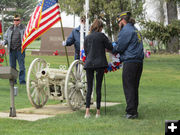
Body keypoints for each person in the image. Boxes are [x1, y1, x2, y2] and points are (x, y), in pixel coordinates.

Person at [112, 11, 144, 119]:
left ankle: (130, 112)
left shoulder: (126, 30)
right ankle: (134, 111)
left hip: (130, 62)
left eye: (119, 21)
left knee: (129, 87)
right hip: (139, 62)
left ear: (122, 20)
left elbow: (120, 47)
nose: (118, 24)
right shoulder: (136, 30)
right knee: (134, 87)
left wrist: (110, 48)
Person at [84, 19, 113, 118]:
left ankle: (87, 112)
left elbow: (86, 51)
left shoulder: (87, 37)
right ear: (100, 27)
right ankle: (98, 112)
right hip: (100, 63)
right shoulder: (102, 36)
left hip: (89, 63)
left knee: (89, 88)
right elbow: (110, 47)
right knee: (98, 87)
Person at [1, 14, 26, 84]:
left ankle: (22, 81)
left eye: (17, 20)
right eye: (14, 20)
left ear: (20, 21)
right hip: (12, 51)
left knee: (21, 67)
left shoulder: (23, 28)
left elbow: (26, 37)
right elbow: (6, 38)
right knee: (12, 67)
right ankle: (13, 81)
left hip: (20, 51)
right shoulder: (10, 28)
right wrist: (3, 42)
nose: (15, 21)